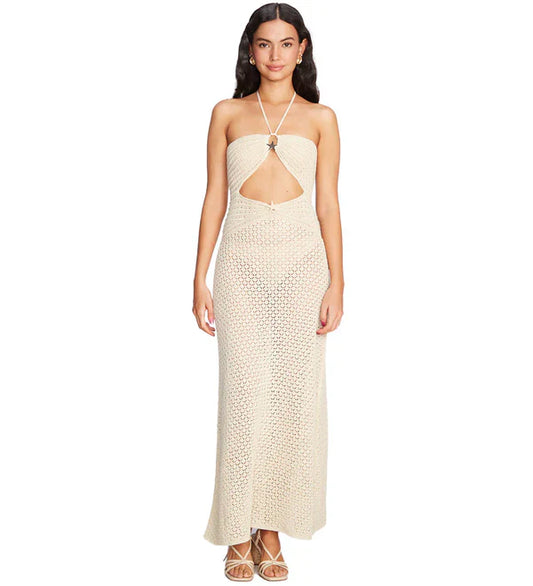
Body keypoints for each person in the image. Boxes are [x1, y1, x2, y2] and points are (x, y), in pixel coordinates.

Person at [192, 3, 344, 581]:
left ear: (302, 50)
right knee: (243, 396)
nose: (275, 55)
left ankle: (271, 528)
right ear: (250, 51)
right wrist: (199, 276)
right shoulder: (227, 113)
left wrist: (337, 281)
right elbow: (214, 197)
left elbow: (328, 204)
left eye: (285, 43)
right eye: (264, 43)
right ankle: (237, 528)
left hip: (303, 270)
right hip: (241, 268)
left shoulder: (321, 118)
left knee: (292, 401)